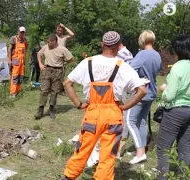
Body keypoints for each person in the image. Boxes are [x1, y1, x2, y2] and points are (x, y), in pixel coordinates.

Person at [62, 31, 147, 180]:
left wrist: (79, 104)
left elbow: (67, 83)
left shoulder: (87, 62)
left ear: (102, 44)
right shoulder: (123, 66)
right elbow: (142, 90)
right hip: (113, 114)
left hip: (92, 113)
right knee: (109, 154)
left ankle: (69, 177)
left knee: (83, 149)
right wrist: (126, 107)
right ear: (118, 47)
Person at [156, 34, 190, 180]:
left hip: (175, 111)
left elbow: (169, 96)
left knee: (163, 148)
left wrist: (163, 90)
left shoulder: (178, 67)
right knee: (185, 147)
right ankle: (184, 176)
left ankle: (162, 177)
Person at [126, 30, 161, 164]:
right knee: (141, 122)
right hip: (152, 92)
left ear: (142, 40)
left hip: (140, 92)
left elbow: (130, 70)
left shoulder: (142, 54)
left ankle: (140, 153)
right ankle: (141, 149)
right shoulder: (157, 55)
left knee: (130, 121)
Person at [34, 34, 74, 120]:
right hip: (47, 70)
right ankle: (40, 109)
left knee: (55, 91)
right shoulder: (45, 47)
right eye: (47, 42)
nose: (48, 43)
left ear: (55, 41)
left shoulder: (62, 49)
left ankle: (51, 108)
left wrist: (65, 64)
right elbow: (39, 54)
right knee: (44, 89)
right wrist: (40, 64)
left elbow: (71, 59)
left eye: (50, 42)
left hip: (58, 71)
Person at [116, 40, 134, 158]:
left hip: (122, 87)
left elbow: (128, 71)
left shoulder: (124, 54)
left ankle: (122, 135)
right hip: (118, 86)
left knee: (123, 111)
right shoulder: (121, 53)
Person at [8, 26, 28, 97]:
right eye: (21, 32)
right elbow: (9, 49)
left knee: (20, 76)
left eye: (23, 32)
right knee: (15, 76)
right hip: (15, 60)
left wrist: (24, 58)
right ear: (18, 32)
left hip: (22, 61)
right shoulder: (14, 38)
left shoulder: (25, 39)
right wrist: (9, 60)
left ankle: (17, 91)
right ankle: (12, 93)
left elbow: (26, 47)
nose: (22, 33)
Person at [56, 23, 75, 96]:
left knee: (61, 74)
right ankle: (55, 89)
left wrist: (65, 27)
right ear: (56, 30)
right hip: (55, 57)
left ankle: (61, 90)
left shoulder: (64, 37)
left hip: (62, 58)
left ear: (63, 31)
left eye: (61, 30)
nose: (59, 31)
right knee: (55, 74)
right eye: (58, 30)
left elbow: (72, 34)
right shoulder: (54, 37)